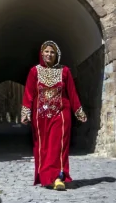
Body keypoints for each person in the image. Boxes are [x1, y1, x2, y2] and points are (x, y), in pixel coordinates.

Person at [20, 40, 87, 190]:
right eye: (46, 51)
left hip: (61, 114)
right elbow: (29, 93)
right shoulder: (34, 71)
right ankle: (46, 177)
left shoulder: (65, 71)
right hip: (41, 117)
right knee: (43, 147)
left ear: (57, 55)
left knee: (58, 145)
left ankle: (58, 177)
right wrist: (26, 112)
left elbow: (72, 93)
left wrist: (78, 111)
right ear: (41, 53)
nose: (49, 54)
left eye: (52, 52)